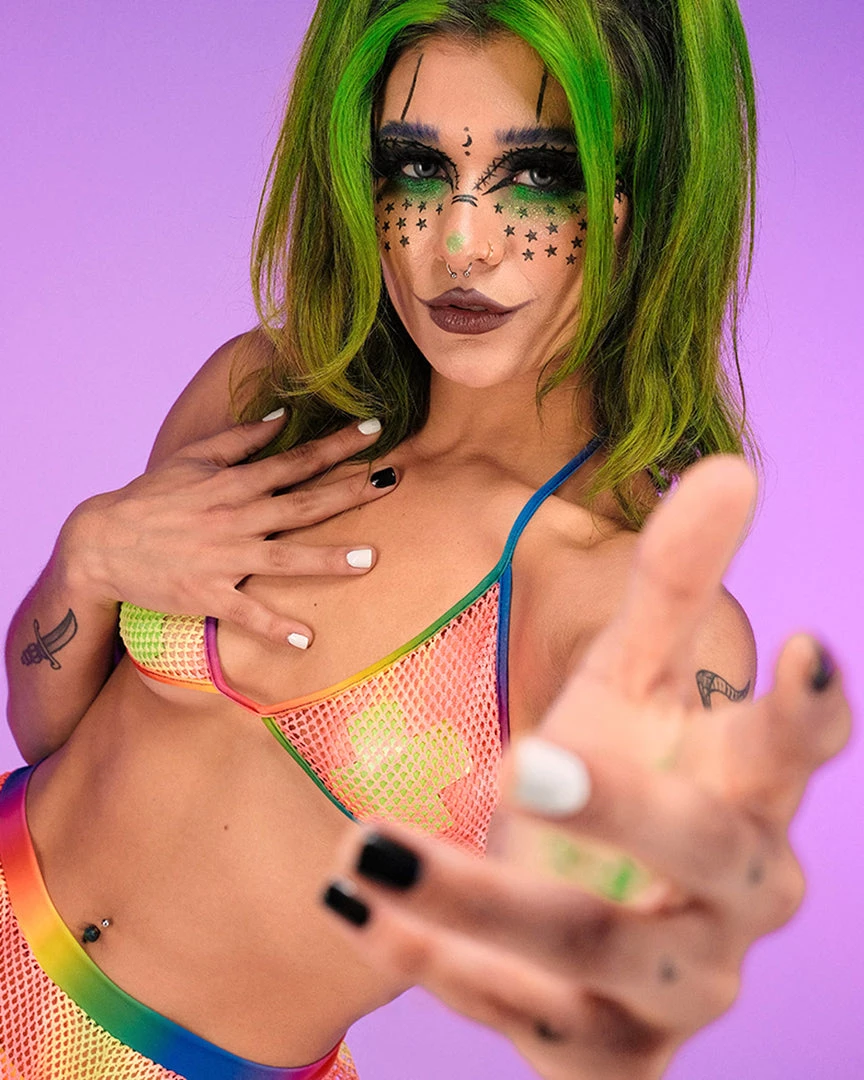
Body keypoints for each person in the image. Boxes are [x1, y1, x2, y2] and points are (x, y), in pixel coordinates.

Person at [0, 2, 850, 1079]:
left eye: (538, 176)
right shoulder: (269, 398)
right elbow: (50, 734)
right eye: (415, 168)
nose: (460, 244)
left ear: (647, 202)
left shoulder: (615, 605)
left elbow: (633, 943)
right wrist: (85, 558)